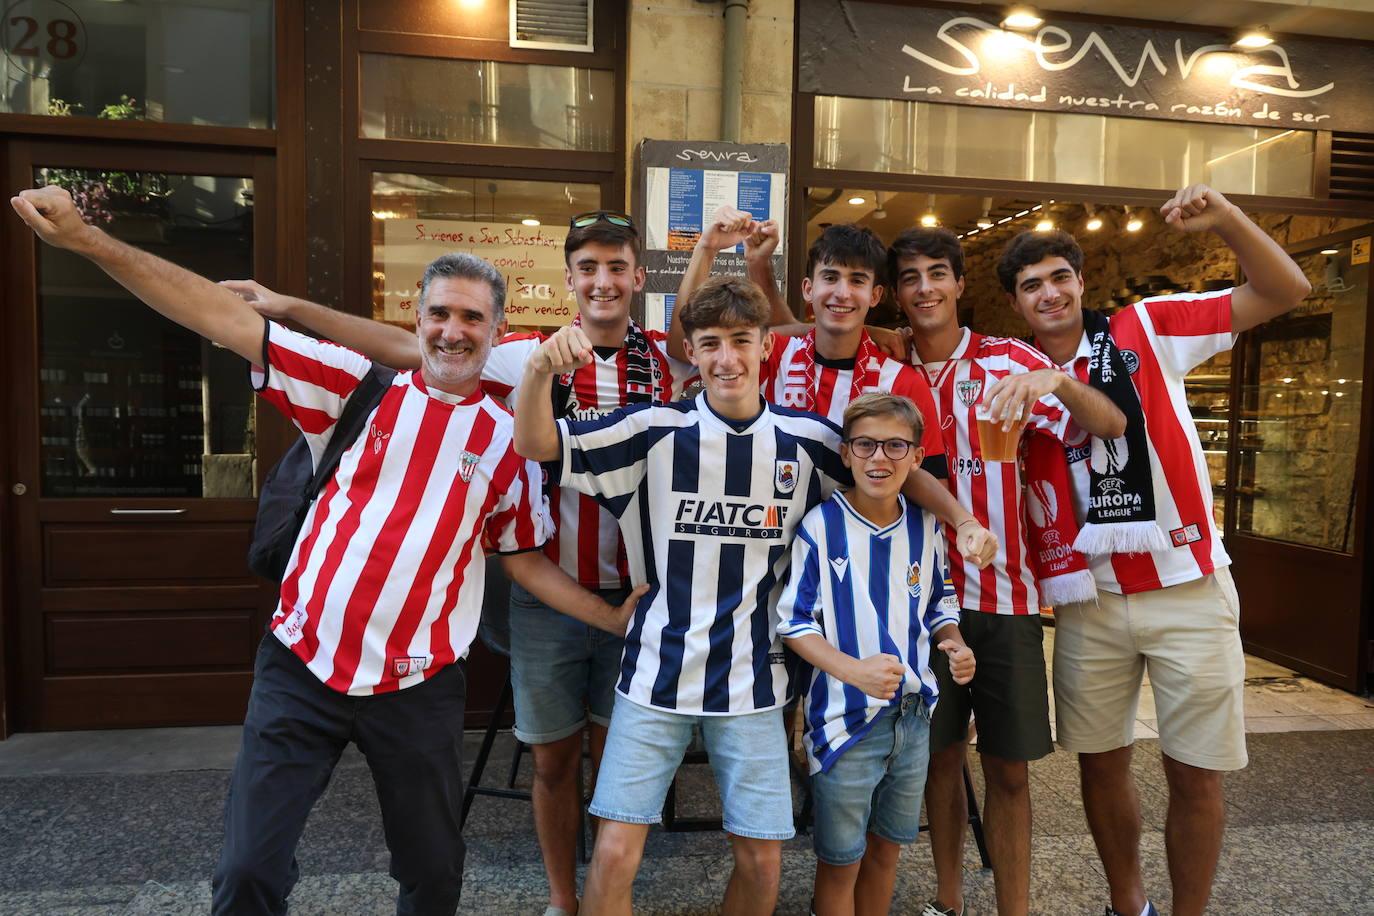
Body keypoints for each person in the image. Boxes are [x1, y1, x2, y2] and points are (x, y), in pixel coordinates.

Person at [9, 186, 645, 916]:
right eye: (439, 312)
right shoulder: (354, 388)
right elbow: (218, 315)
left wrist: (609, 618)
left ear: (500, 334)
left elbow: (523, 557)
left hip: (419, 685)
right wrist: (90, 241)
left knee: (434, 874)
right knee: (248, 869)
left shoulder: (510, 446)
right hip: (301, 666)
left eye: (473, 317)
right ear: (417, 317)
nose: (453, 331)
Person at [224, 212, 693, 916]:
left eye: (616, 266)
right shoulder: (520, 354)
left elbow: (745, 346)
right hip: (543, 593)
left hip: (635, 594)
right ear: (569, 279)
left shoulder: (667, 361)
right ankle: (564, 900)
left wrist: (715, 250)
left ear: (637, 277)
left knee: (615, 768)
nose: (602, 280)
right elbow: (406, 345)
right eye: (588, 267)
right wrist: (289, 307)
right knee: (553, 762)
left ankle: (603, 897)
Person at [513, 276, 993, 916]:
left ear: (767, 347)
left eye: (741, 340)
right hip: (655, 672)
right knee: (615, 853)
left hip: (755, 682)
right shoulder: (653, 431)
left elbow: (899, 476)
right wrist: (541, 372)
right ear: (694, 350)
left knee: (764, 861)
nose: (727, 358)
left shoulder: (811, 442)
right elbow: (539, 444)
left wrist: (961, 521)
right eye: (709, 343)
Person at [998, 184, 1311, 916]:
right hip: (1089, 599)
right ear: (1016, 303)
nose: (1048, 295)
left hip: (1187, 586)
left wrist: (1230, 220)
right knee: (1101, 768)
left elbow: (1284, 288)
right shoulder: (1008, 367)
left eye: (1059, 278)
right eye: (1030, 285)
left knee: (1195, 773)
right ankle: (1126, 904)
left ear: (1080, 283)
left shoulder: (1147, 326)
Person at [888, 227, 1127, 916]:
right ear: (897, 293)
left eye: (939, 272)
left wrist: (1056, 378)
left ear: (961, 285)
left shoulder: (1008, 360)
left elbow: (1107, 425)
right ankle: (948, 902)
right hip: (914, 602)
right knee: (936, 764)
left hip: (1007, 597)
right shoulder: (888, 365)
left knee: (1010, 770)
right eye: (911, 277)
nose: (926, 287)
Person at [669, 207, 993, 555]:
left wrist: (963, 522)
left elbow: (923, 477)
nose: (843, 292)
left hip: (861, 558)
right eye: (831, 277)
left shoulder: (901, 380)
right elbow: (682, 343)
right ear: (808, 288)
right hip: (766, 550)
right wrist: (706, 248)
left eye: (857, 280)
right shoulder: (773, 354)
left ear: (876, 295)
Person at [777, 392, 976, 916]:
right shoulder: (822, 526)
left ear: (916, 456)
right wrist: (853, 671)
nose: (879, 458)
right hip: (844, 722)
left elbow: (940, 603)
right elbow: (794, 622)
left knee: (888, 850)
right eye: (865, 444)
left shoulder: (926, 526)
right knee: (841, 861)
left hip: (912, 720)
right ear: (845, 454)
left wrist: (952, 642)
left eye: (894, 446)